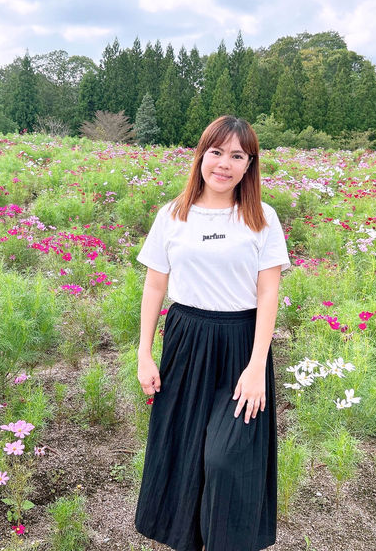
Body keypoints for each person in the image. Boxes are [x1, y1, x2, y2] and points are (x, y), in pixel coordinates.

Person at [134, 115, 290, 551]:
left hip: (241, 345)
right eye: (216, 152)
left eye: (237, 155)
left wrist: (257, 365)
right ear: (201, 155)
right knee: (183, 455)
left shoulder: (261, 218)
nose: (224, 164)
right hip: (185, 339)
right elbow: (154, 285)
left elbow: (268, 292)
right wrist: (144, 353)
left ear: (249, 165)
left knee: (227, 459)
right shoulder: (173, 214)